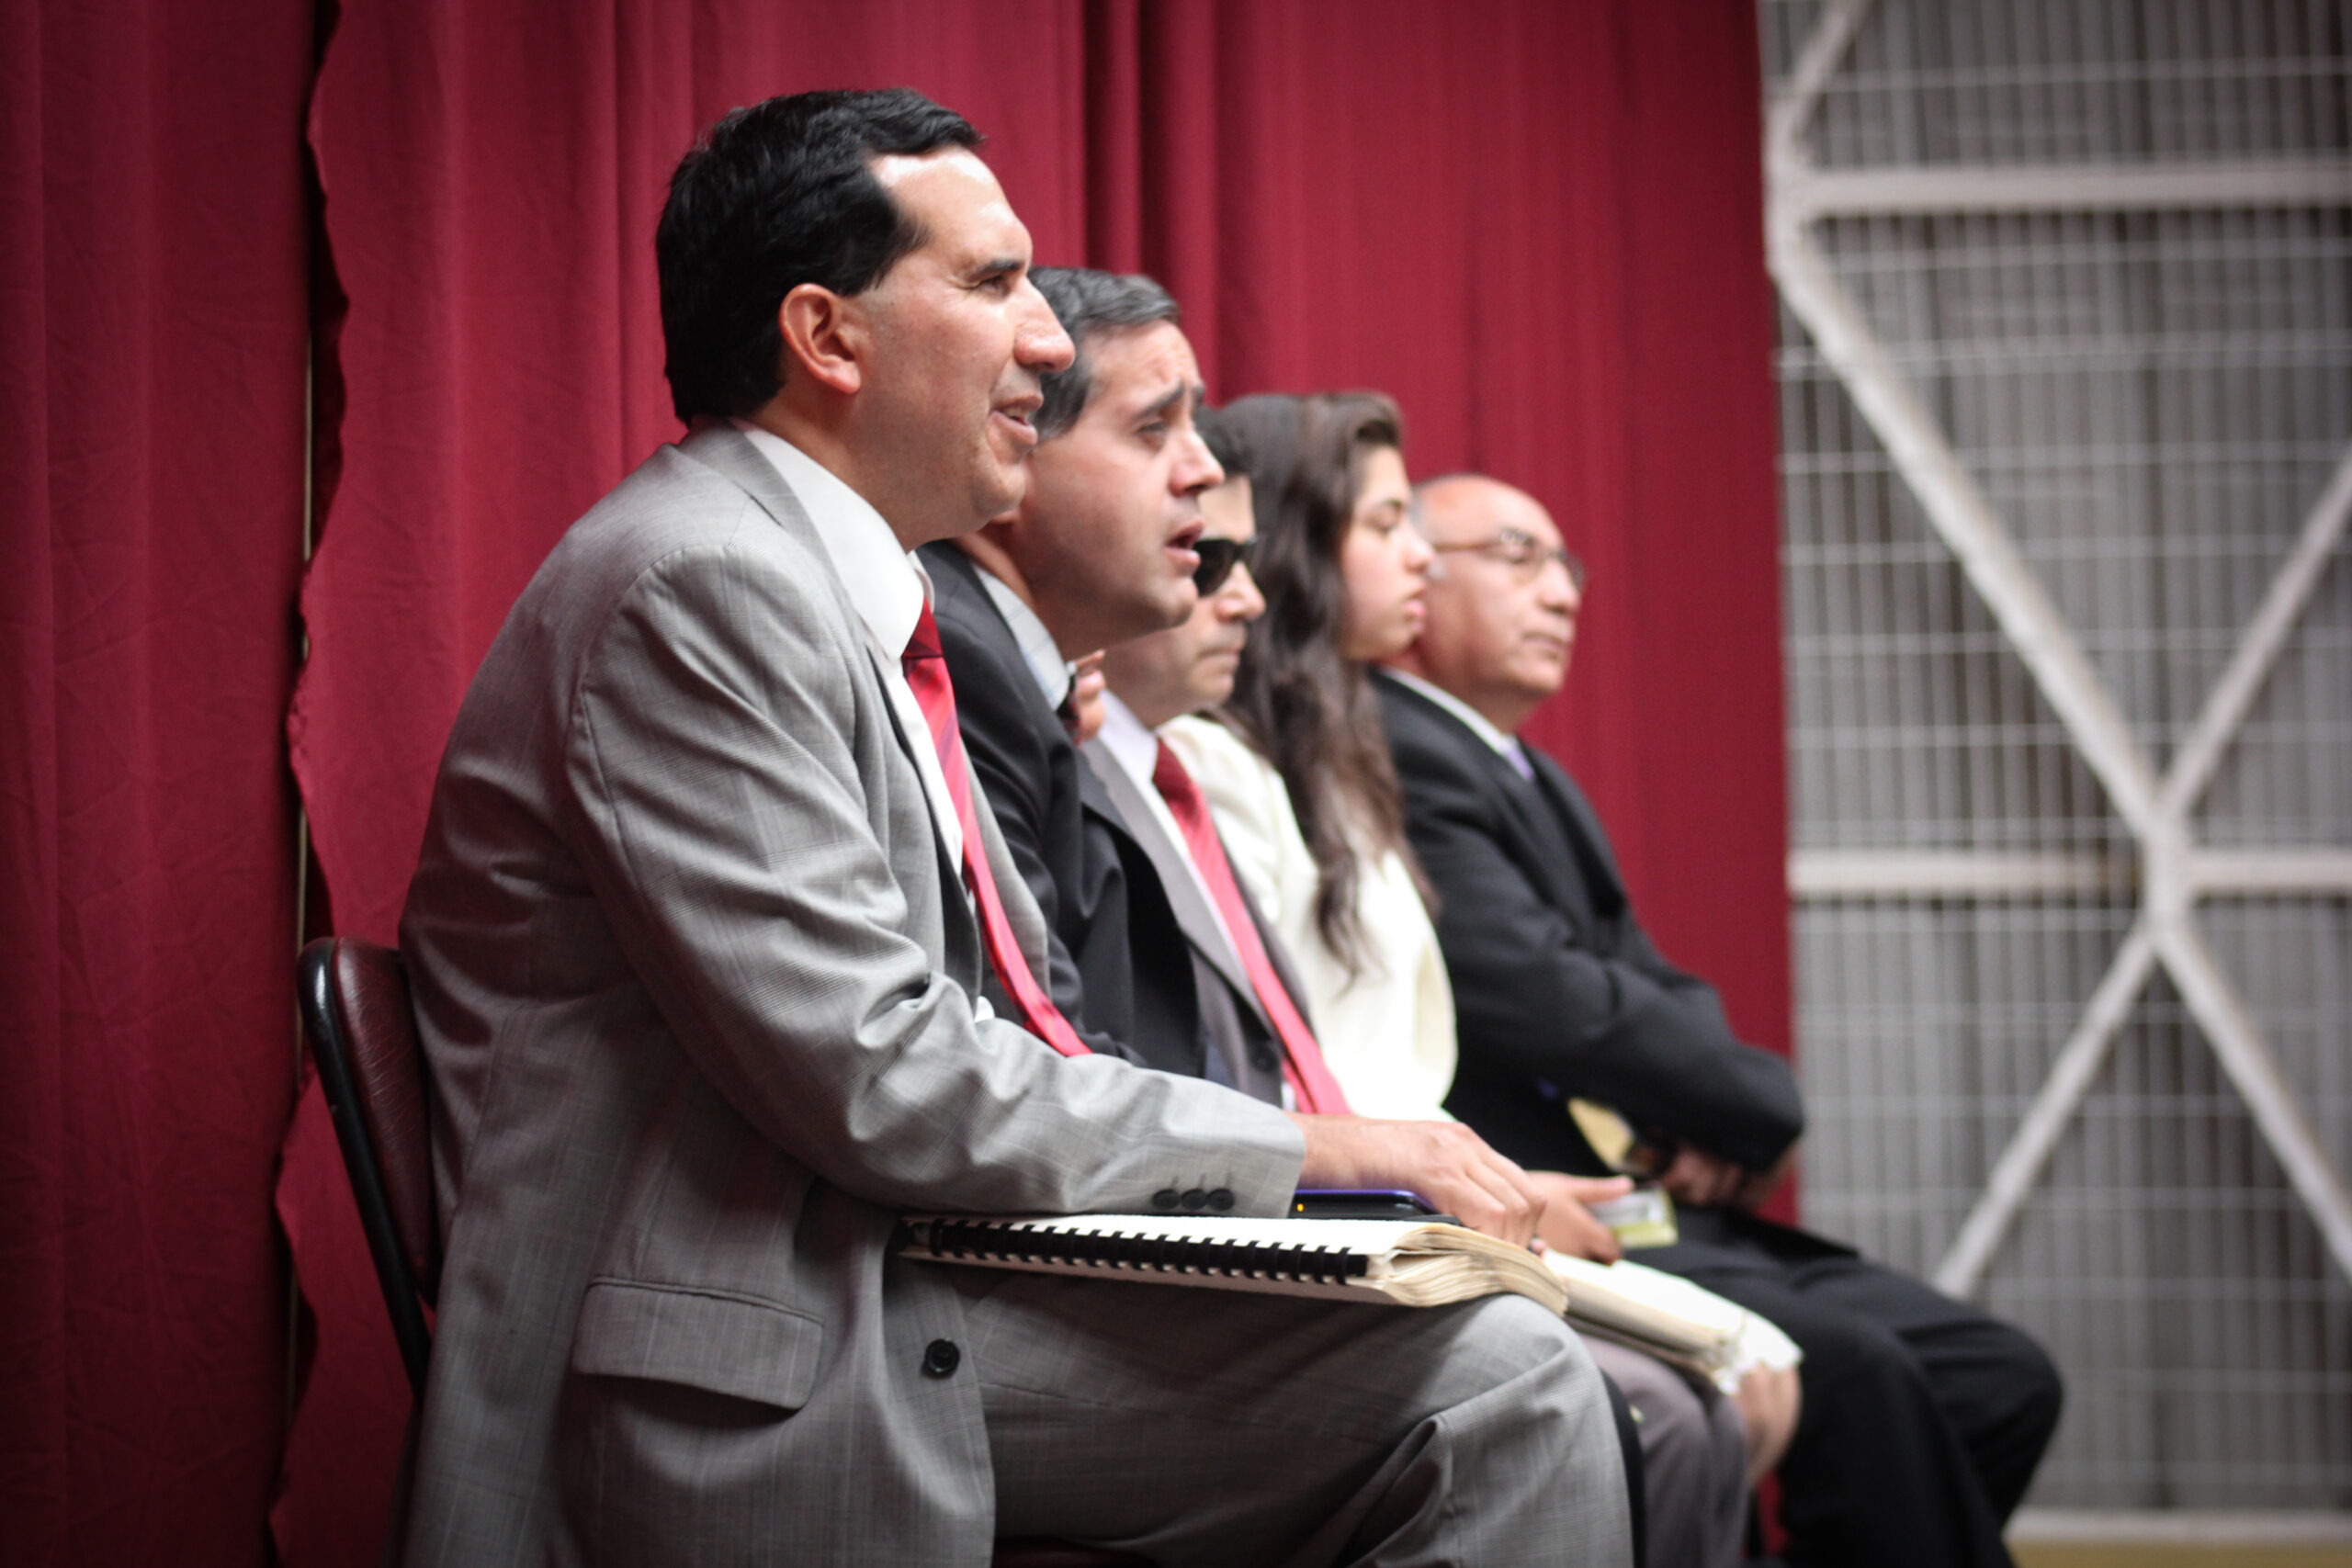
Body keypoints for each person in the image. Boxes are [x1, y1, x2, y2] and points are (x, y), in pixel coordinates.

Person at [393, 90, 1632, 1567]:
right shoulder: (699, 584)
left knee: (1500, 1342)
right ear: (828, 336)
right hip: (759, 1348)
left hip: (900, 1269)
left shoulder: (844, 589)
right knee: (1508, 1386)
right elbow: (884, 1073)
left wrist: (1341, 1185)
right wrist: (1316, 1146)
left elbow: (1014, 1031)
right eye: (993, 283)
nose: (1048, 340)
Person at [1379, 472, 2065, 1568]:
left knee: (1998, 1374)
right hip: (1561, 1209)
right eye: (1516, 556)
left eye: (1567, 565)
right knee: (1864, 1372)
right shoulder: (1399, 747)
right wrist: (1758, 1106)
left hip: (1656, 1198)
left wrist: (1722, 1117)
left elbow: (1654, 984)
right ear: (1410, 575)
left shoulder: (1529, 773)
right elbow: (1553, 1002)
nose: (1559, 591)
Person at [1161, 395, 1767, 1568]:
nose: (1420, 555)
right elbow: (1288, 1074)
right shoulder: (1213, 762)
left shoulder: (1343, 759)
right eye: (1388, 522)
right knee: (1682, 1414)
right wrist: (1485, 1193)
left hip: (1431, 1186)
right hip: (1358, 1216)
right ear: (1298, 544)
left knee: (1736, 1387)